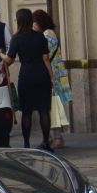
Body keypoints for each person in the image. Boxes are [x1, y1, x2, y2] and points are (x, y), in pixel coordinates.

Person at [0, 8, 54, 149]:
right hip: (41, 75)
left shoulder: (17, 38)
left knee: (27, 111)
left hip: (26, 76)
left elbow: (9, 60)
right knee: (43, 110)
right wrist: (51, 77)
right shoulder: (40, 36)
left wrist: (0, 54)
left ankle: (26, 144)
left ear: (19, 21)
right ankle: (47, 143)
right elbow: (46, 58)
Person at [33, 10, 72, 150]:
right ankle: (49, 137)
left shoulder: (48, 33)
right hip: (50, 72)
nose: (33, 25)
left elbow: (44, 53)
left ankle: (56, 137)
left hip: (51, 73)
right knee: (46, 107)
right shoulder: (45, 33)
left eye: (35, 22)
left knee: (52, 106)